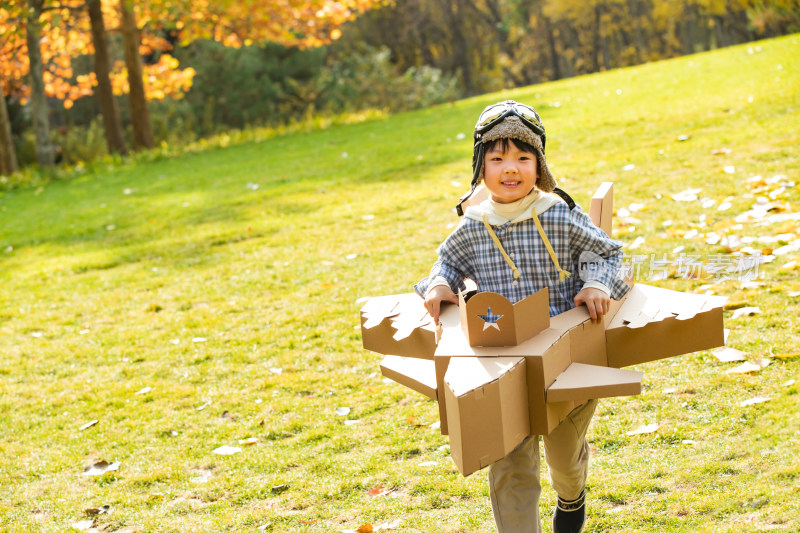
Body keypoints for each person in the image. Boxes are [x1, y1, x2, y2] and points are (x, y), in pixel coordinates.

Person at [414, 101, 631, 533]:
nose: (509, 168)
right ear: (481, 168)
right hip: (502, 360)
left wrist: (596, 284)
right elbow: (446, 266)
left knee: (563, 455)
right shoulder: (473, 226)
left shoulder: (558, 214)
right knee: (511, 462)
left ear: (540, 165)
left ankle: (571, 499)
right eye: (497, 158)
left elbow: (607, 252)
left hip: (564, 356)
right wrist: (439, 285)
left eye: (522, 157)